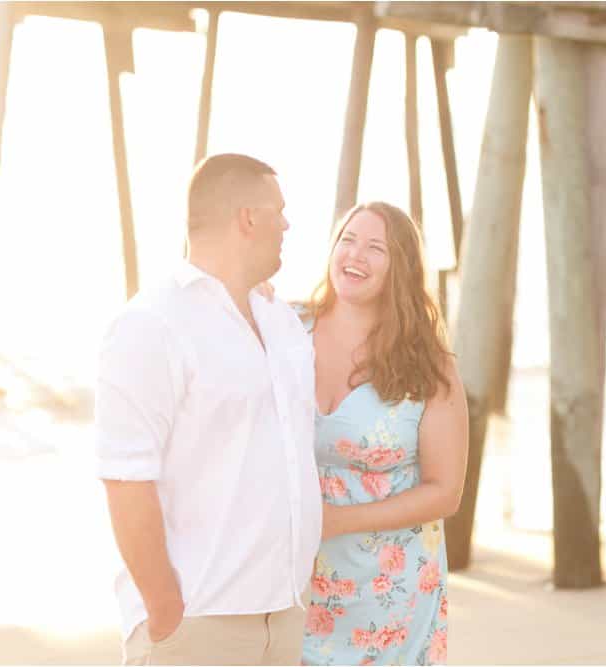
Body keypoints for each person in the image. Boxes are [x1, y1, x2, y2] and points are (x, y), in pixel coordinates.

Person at [94, 153, 321, 666]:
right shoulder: (151, 325)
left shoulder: (280, 320)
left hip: (284, 619)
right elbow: (126, 480)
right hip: (198, 623)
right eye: (278, 211)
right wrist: (165, 608)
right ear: (248, 218)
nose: (287, 224)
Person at [299, 202, 469, 666]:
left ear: (402, 269)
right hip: (295, 580)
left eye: (376, 248)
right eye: (348, 240)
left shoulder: (429, 365)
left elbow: (445, 492)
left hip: (392, 595)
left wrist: (335, 521)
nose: (356, 255)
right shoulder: (288, 331)